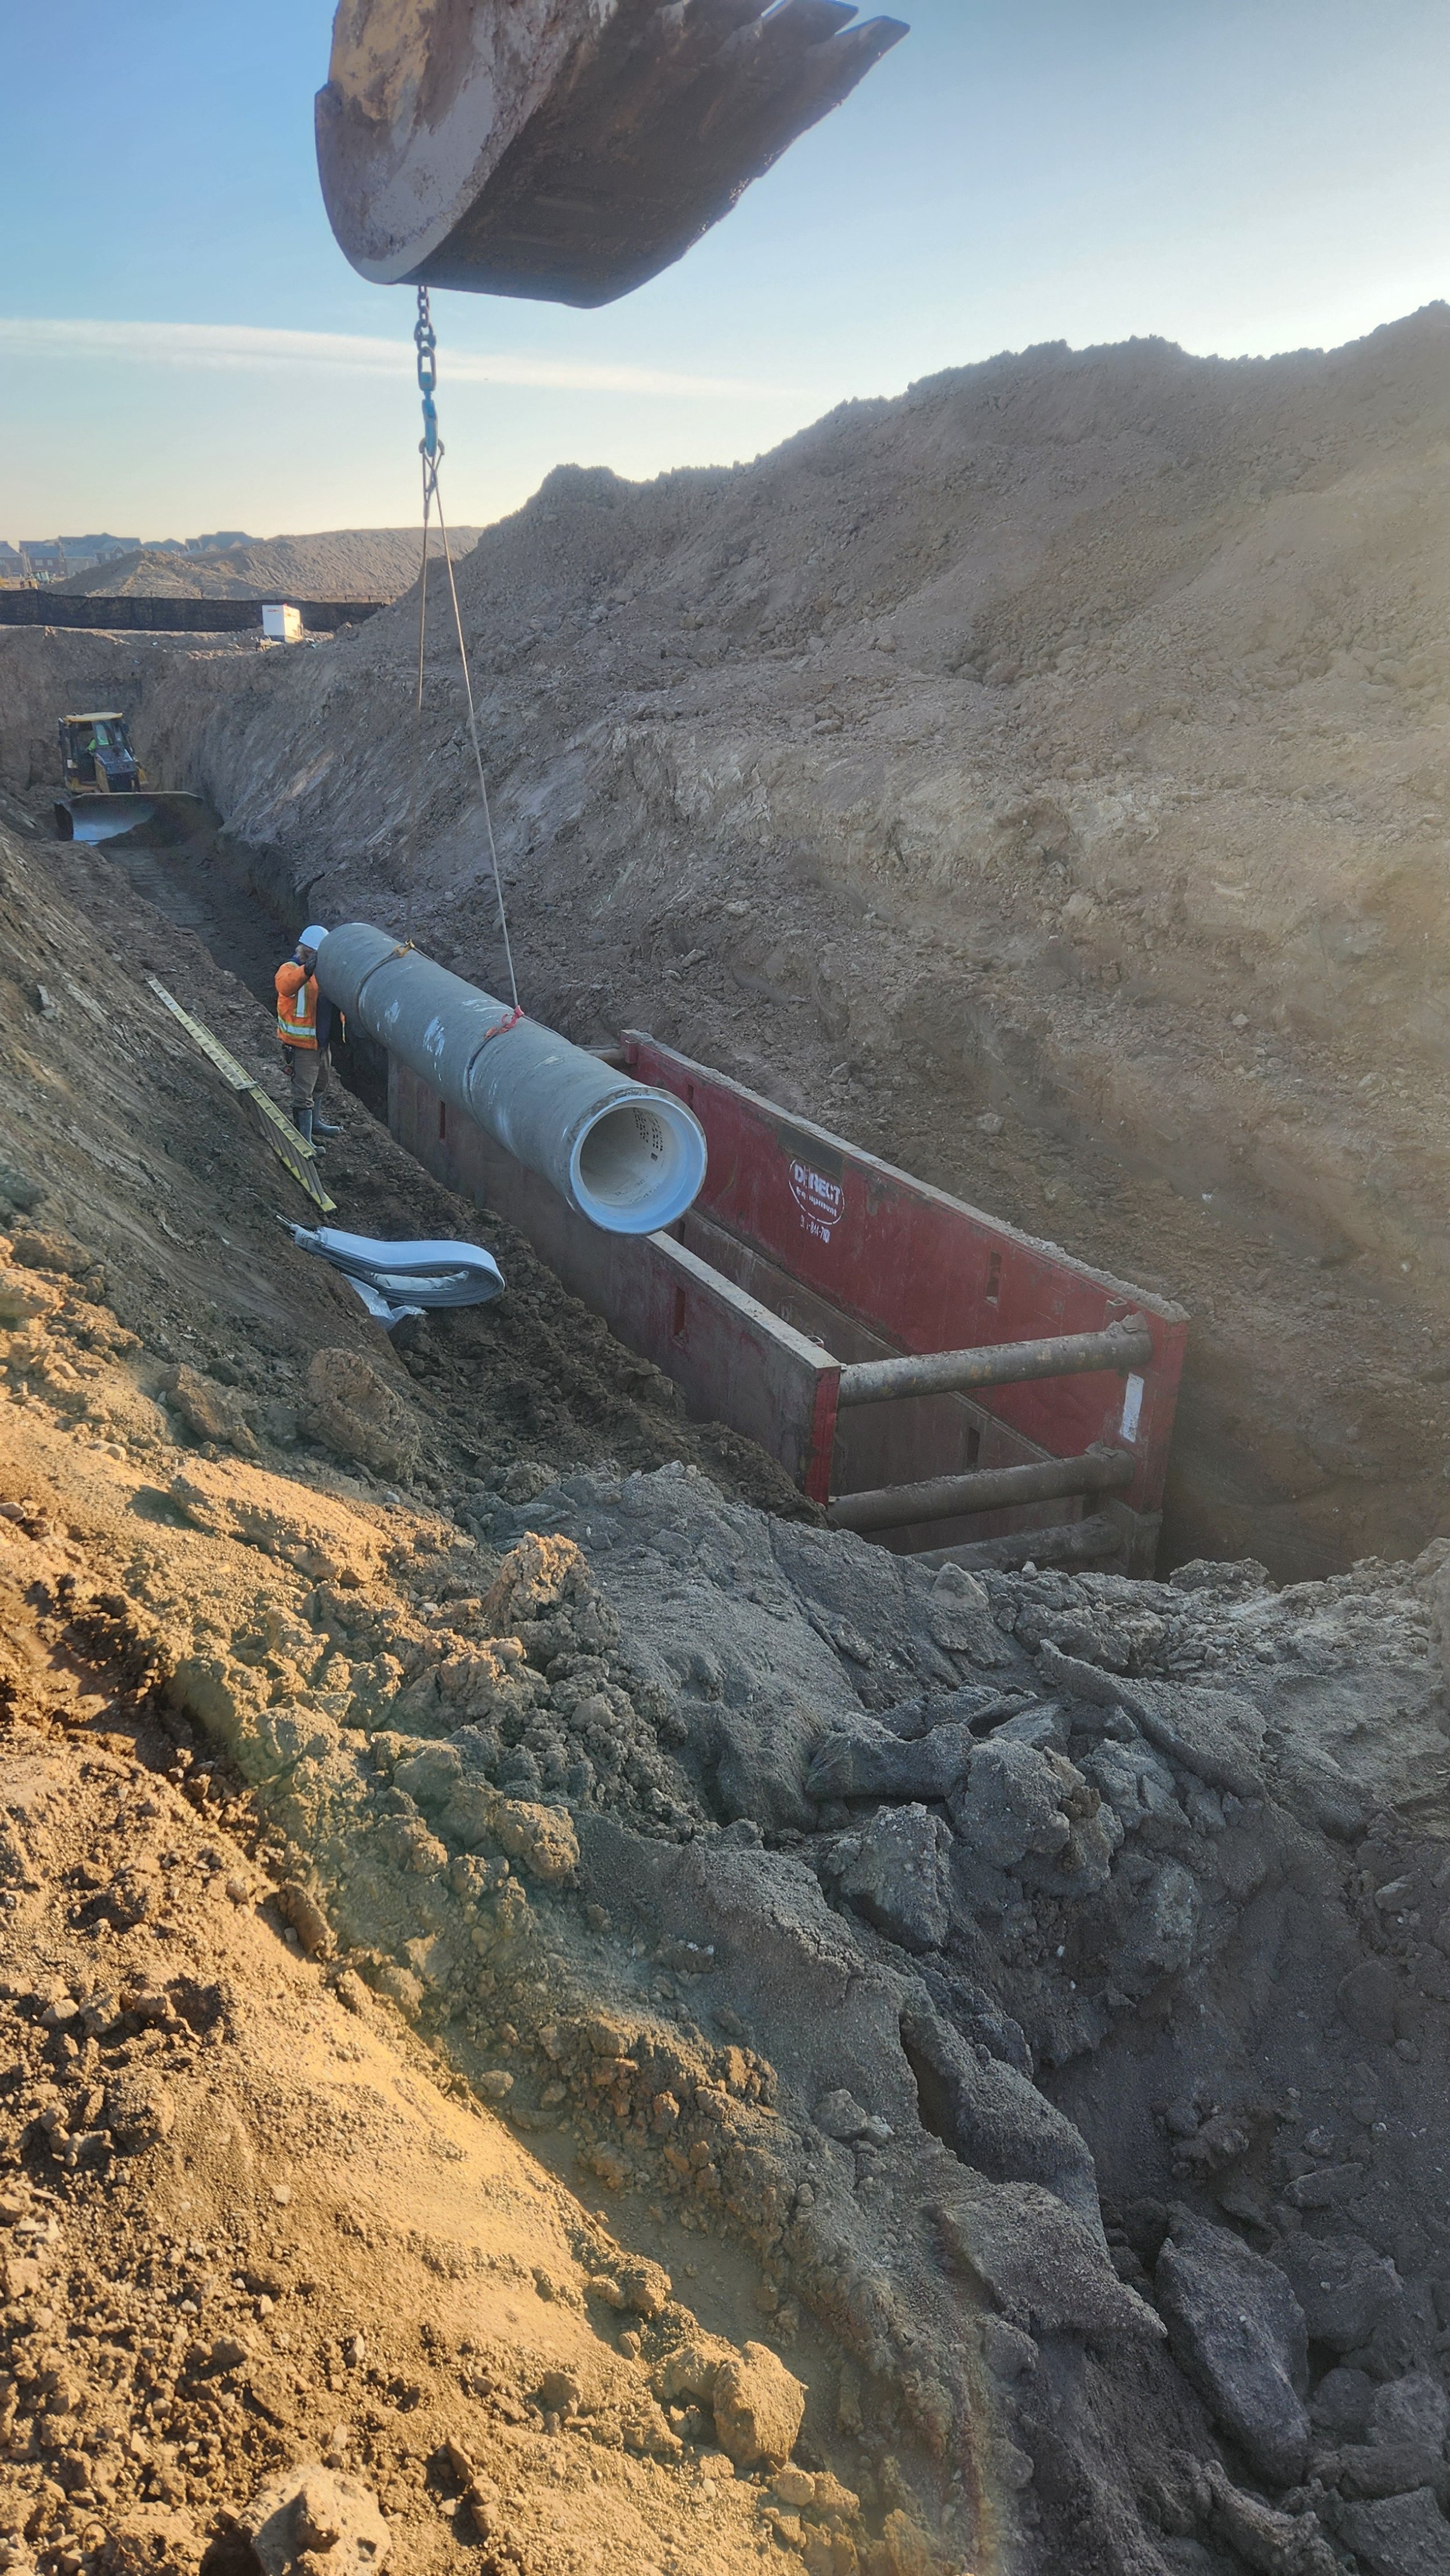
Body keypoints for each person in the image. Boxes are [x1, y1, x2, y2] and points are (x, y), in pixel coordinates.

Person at [274, 925, 342, 1148]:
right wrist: (306, 971)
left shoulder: (326, 973)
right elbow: (285, 986)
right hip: (302, 1045)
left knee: (320, 1084)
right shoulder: (291, 968)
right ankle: (304, 1139)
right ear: (306, 952)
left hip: (322, 1043)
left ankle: (314, 1124)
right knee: (303, 1092)